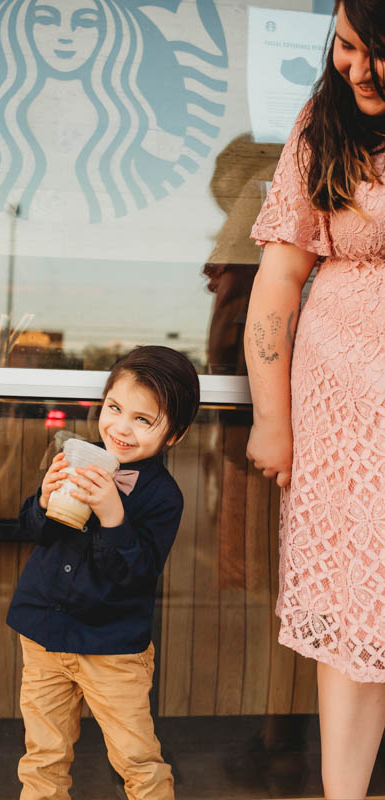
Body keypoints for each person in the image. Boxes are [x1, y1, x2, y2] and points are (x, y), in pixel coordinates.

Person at [244, 2, 385, 798]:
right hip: (345, 405)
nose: (355, 70)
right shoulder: (321, 123)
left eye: (376, 53)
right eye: (344, 46)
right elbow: (277, 282)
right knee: (359, 605)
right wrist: (271, 419)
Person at [7, 345, 200, 800]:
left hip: (112, 648)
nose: (121, 428)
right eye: (115, 408)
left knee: (136, 759)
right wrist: (42, 500)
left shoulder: (162, 496)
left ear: (174, 435)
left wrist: (114, 516)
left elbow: (138, 574)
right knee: (42, 757)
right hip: (43, 633)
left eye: (143, 419)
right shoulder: (81, 458)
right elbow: (34, 532)